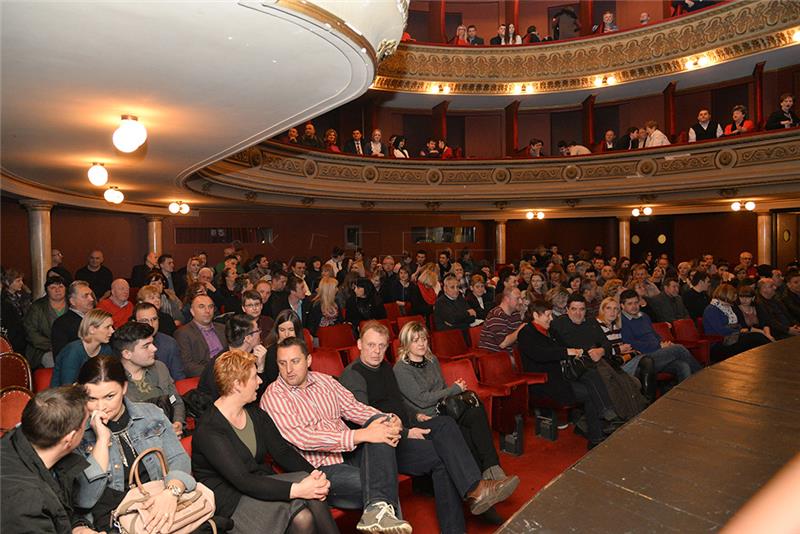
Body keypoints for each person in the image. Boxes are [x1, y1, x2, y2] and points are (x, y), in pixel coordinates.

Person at [340, 321, 519, 533]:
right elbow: (365, 417)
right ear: (359, 344)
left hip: (401, 434)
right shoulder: (353, 375)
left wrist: (414, 416)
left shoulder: (385, 368)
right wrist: (407, 431)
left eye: (382, 346)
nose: (377, 351)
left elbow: (398, 401)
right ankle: (476, 489)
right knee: (445, 427)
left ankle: (464, 512)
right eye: (371, 345)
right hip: (379, 448)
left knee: (444, 449)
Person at [262, 337, 412, 533]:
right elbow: (305, 438)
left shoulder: (324, 381)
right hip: (321, 468)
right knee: (381, 484)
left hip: (350, 453)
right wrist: (362, 435)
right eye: (283, 363)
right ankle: (378, 510)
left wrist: (388, 418)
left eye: (295, 361)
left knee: (380, 430)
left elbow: (354, 408)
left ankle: (376, 512)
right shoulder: (274, 396)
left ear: (308, 361)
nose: (289, 369)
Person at [193, 349, 338, 534]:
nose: (260, 381)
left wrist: (315, 476)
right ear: (237, 384)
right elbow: (243, 480)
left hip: (259, 483)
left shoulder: (253, 413)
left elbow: (282, 452)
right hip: (232, 502)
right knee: (303, 515)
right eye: (255, 377)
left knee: (311, 489)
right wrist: (298, 490)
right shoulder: (209, 429)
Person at [73, 356, 198, 533]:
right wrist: (102, 440)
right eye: (91, 398)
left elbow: (179, 459)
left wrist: (171, 493)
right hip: (114, 520)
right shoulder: (76, 434)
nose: (101, 407)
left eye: (110, 396)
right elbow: (85, 500)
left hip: (160, 503)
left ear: (124, 388)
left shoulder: (151, 414)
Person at [393, 321, 507, 478]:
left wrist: (451, 392)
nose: (421, 343)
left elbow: (442, 388)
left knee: (476, 411)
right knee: (465, 432)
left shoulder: (432, 360)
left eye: (424, 339)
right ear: (406, 344)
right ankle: (480, 479)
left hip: (444, 410)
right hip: (427, 416)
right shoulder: (401, 369)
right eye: (415, 340)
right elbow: (422, 400)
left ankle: (492, 468)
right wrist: (455, 389)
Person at [518, 300, 619, 449]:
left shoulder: (550, 330)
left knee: (591, 374)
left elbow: (565, 344)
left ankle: (605, 415)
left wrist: (576, 351)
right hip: (545, 382)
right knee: (590, 392)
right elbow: (539, 354)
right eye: (548, 315)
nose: (551, 319)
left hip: (561, 376)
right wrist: (566, 352)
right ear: (535, 315)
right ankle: (598, 433)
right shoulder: (526, 333)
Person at [1, 385, 92, 533]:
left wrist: (77, 526)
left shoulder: (16, 439)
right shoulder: (26, 502)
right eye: (84, 425)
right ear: (70, 438)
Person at [112, 321, 185, 437]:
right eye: (146, 346)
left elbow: (175, 401)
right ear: (127, 354)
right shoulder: (114, 382)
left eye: (153, 343)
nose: (154, 348)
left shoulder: (160, 367)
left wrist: (178, 422)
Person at [619, 289, 701, 382]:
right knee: (679, 349)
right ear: (622, 306)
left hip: (658, 353)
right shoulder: (622, 321)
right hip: (643, 358)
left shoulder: (644, 316)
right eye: (630, 304)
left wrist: (663, 343)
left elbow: (654, 334)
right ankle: (702, 376)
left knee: (682, 366)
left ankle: (687, 393)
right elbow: (631, 344)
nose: (634, 306)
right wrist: (658, 346)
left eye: (636, 303)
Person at [199, 313, 269, 403]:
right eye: (257, 331)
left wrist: (261, 366)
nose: (260, 333)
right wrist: (260, 369)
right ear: (248, 338)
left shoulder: (253, 356)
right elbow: (248, 401)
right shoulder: (222, 366)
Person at [596, 297, 656, 401]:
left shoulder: (615, 327)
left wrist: (627, 350)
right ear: (602, 310)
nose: (612, 312)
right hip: (609, 367)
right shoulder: (597, 326)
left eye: (615, 309)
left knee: (646, 362)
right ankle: (647, 400)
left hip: (621, 362)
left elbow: (619, 349)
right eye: (609, 308)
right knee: (646, 361)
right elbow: (601, 351)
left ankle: (647, 400)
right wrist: (620, 349)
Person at [702, 284, 771, 362]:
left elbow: (737, 325)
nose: (735, 298)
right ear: (726, 295)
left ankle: (769, 356)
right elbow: (720, 330)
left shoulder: (727, 307)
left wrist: (738, 329)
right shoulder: (711, 309)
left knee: (757, 337)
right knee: (755, 338)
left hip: (731, 338)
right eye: (733, 295)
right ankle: (771, 354)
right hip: (719, 343)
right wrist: (739, 330)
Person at [51, 309, 114, 387]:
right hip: (63, 396)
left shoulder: (106, 349)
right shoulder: (73, 351)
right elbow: (67, 387)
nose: (112, 331)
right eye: (107, 327)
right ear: (92, 329)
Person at [174, 294, 228, 377]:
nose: (207, 311)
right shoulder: (183, 333)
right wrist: (216, 372)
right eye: (201, 307)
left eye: (210, 307)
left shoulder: (223, 328)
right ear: (192, 311)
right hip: (206, 377)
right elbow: (187, 365)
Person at [23, 275, 67, 369]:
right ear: (47, 291)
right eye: (53, 287)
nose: (57, 290)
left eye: (61, 287)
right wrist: (51, 346)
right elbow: (30, 331)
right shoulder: (37, 307)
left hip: (69, 348)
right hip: (43, 350)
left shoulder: (73, 304)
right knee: (55, 363)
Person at [133, 302, 186, 380]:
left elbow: (178, 377)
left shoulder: (170, 343)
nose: (151, 324)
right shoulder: (127, 345)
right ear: (134, 322)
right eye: (144, 320)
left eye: (154, 319)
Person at [51, 280, 96, 357]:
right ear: (72, 301)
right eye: (86, 296)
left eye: (91, 295)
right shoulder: (61, 324)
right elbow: (61, 356)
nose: (91, 299)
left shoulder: (99, 318)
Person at [478, 287, 524, 360]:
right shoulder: (496, 315)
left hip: (510, 353)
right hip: (494, 357)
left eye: (521, 298)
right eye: (517, 299)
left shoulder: (515, 314)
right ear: (507, 299)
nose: (521, 302)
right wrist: (521, 329)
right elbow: (503, 344)